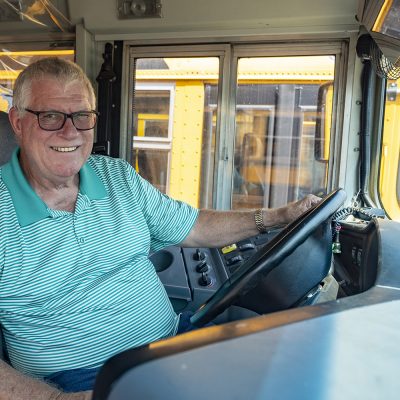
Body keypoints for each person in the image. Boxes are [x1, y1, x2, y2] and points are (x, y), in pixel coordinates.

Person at [0, 58, 320, 400]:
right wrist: (54, 399)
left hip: (172, 341)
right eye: (50, 116)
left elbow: (195, 226)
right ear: (18, 122)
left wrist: (277, 217)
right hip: (81, 380)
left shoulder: (116, 176)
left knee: (287, 368)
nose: (70, 132)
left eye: (82, 116)